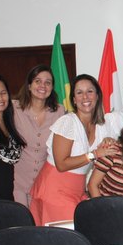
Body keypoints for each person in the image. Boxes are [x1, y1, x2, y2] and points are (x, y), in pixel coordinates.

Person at [29, 74, 117, 225]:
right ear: (74, 100)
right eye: (79, 93)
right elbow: (62, 164)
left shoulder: (102, 125)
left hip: (78, 189)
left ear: (97, 96)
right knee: (66, 240)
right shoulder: (67, 122)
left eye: (90, 91)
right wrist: (94, 154)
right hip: (55, 188)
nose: (85, 97)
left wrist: (109, 141)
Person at [12, 65, 65, 206]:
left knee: (41, 226)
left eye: (48, 82)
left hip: (44, 185)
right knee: (22, 225)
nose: (43, 86)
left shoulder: (59, 111)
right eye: (38, 81)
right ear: (29, 85)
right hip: (18, 184)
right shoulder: (14, 108)